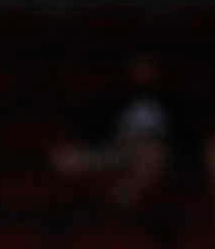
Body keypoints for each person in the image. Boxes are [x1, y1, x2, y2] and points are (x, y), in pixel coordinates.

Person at [46, 53, 177, 208]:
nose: (143, 73)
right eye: (139, 68)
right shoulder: (116, 99)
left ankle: (124, 196)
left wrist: (148, 141)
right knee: (64, 158)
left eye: (147, 68)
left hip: (152, 153)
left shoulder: (170, 102)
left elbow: (174, 139)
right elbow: (97, 130)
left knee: (153, 155)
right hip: (117, 150)